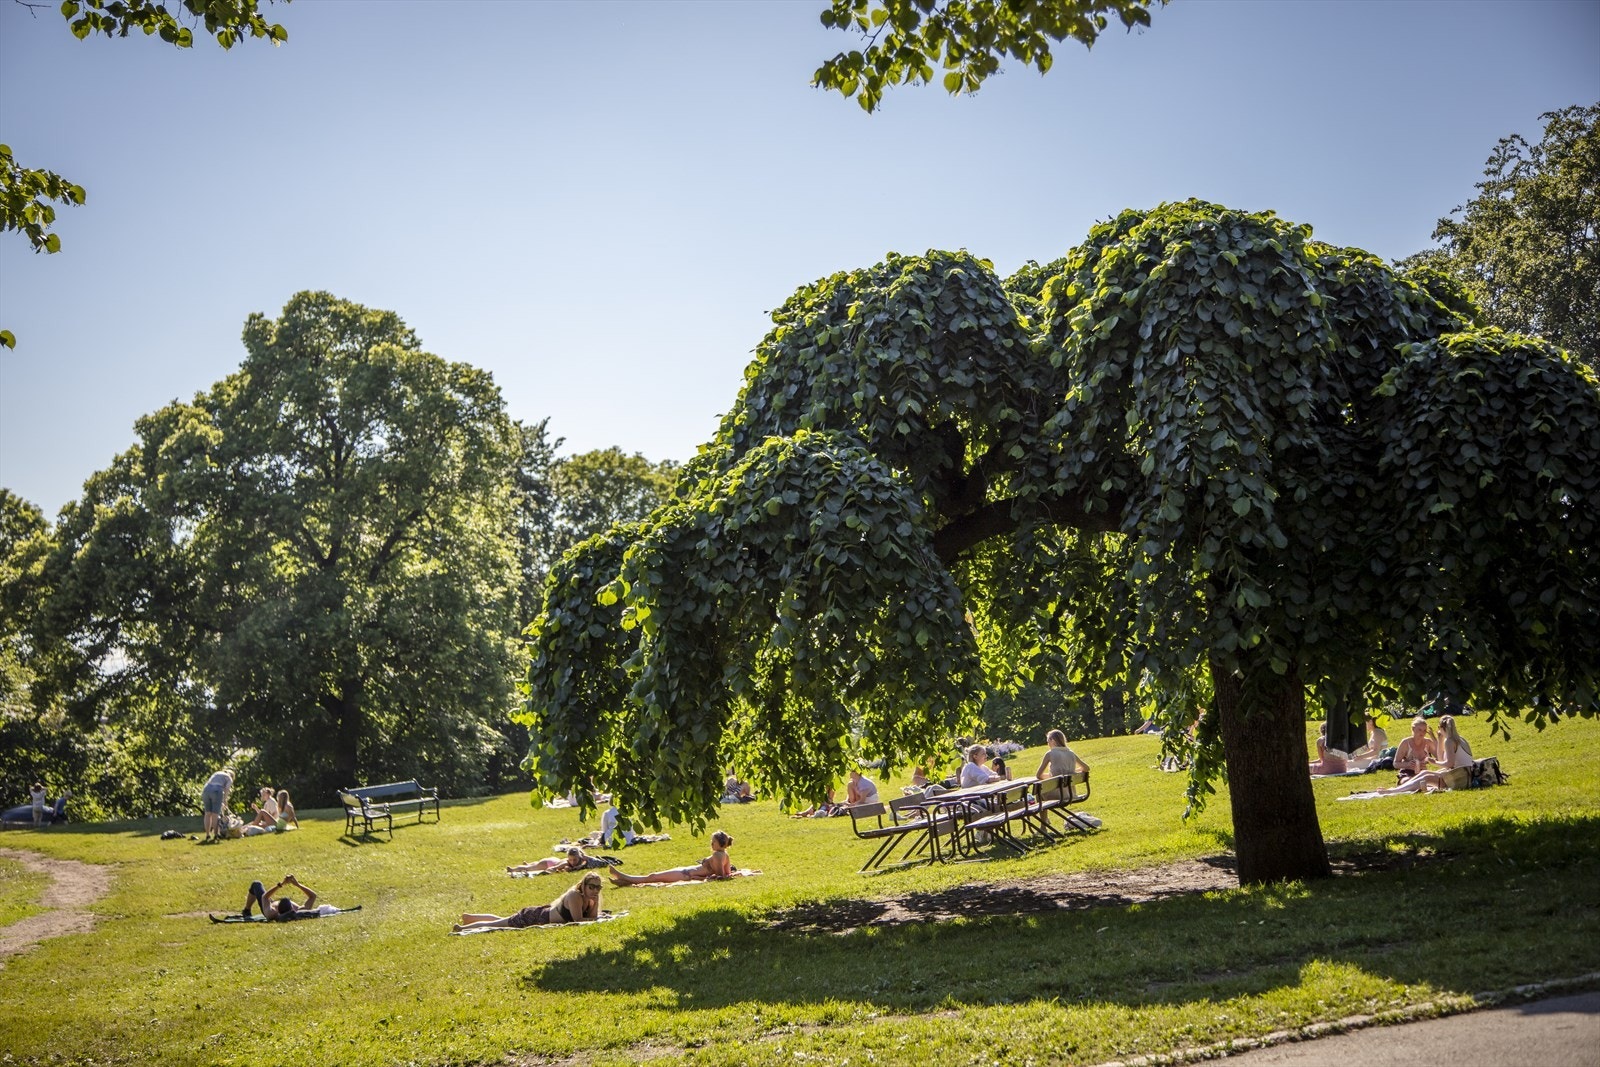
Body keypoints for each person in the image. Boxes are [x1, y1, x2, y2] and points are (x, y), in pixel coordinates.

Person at [453, 872, 604, 932]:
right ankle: (461, 928)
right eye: (592, 887)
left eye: (598, 887)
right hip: (535, 917)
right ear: (584, 885)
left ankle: (470, 918)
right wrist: (596, 917)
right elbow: (578, 920)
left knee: (504, 921)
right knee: (497, 925)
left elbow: (592, 918)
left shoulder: (590, 898)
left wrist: (595, 903)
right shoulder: (575, 896)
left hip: (540, 915)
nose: (595, 890)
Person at [607, 831, 734, 885]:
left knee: (653, 877)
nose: (711, 844)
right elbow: (728, 873)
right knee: (653, 877)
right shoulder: (725, 855)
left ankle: (623, 877)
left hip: (685, 875)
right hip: (686, 872)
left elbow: (721, 876)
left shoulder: (717, 855)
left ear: (720, 843)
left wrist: (698, 877)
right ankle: (625, 881)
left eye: (713, 842)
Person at [264, 874, 342, 920]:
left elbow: (264, 897)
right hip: (269, 903)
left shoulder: (272, 912)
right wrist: (297, 885)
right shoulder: (298, 910)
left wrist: (281, 884)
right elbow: (313, 896)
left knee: (257, 884)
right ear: (291, 908)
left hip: (265, 905)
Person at [507, 846, 614, 875]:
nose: (572, 862)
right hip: (549, 863)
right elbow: (554, 868)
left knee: (535, 865)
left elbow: (599, 863)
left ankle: (530, 864)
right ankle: (513, 870)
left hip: (553, 860)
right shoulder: (566, 862)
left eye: (574, 860)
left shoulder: (582, 860)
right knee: (529, 868)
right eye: (570, 860)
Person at [1393, 717, 1435, 781]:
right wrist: (1408, 764)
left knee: (1436, 781)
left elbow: (1440, 758)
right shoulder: (1406, 743)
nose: (1422, 733)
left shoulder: (1428, 742)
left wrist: (1429, 761)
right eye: (1419, 730)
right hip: (1407, 772)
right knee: (1407, 781)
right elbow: (1395, 764)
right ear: (1413, 729)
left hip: (1423, 772)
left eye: (1424, 730)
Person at [200, 767, 234, 841]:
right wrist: (225, 801)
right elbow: (226, 789)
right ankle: (216, 835)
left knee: (207, 813)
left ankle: (207, 835)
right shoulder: (229, 778)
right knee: (215, 815)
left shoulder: (217, 773)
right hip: (217, 790)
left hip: (206, 790)